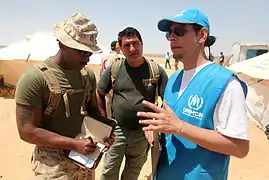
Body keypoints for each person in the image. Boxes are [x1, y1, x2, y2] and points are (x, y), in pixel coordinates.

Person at [137, 8, 249, 180]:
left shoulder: (225, 83)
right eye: (169, 33)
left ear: (201, 35)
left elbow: (240, 147)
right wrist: (155, 131)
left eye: (179, 31)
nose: (172, 37)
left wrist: (180, 127)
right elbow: (169, 122)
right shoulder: (173, 79)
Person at [15, 13, 114, 180]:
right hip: (52, 165)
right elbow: (27, 131)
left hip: (84, 159)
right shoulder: (34, 79)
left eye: (89, 52)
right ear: (62, 44)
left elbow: (92, 113)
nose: (86, 57)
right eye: (80, 51)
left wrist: (105, 131)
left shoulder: (86, 76)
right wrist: (74, 144)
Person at [97, 27, 168, 180]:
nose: (132, 49)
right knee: (109, 172)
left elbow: (167, 103)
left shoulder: (156, 71)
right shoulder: (114, 69)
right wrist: (104, 120)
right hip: (117, 132)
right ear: (120, 49)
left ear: (142, 44)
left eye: (136, 43)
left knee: (132, 173)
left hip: (143, 134)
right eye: (127, 45)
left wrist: (155, 124)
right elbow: (100, 93)